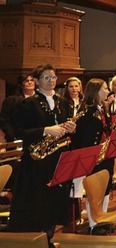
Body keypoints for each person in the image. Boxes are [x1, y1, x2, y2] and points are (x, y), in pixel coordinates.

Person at [8, 64, 76, 239]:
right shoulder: (27, 104)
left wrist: (71, 128)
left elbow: (67, 129)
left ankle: (51, 235)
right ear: (37, 81)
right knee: (39, 204)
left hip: (58, 158)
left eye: (53, 77)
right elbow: (19, 131)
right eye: (46, 78)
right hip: (36, 162)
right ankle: (40, 238)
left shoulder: (64, 102)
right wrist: (46, 130)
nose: (51, 81)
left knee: (55, 202)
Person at [71, 78, 114, 212]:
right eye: (105, 88)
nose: (108, 91)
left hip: (106, 154)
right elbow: (82, 138)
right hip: (93, 156)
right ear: (96, 91)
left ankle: (103, 218)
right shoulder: (86, 111)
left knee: (106, 187)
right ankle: (94, 223)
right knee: (94, 190)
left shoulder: (104, 108)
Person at [0, 74, 36, 142]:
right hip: (17, 138)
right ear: (20, 85)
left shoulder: (41, 99)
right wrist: (12, 136)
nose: (30, 82)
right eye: (26, 81)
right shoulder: (11, 100)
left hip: (37, 138)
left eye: (32, 80)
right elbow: (4, 120)